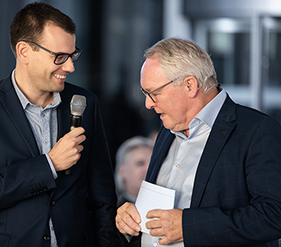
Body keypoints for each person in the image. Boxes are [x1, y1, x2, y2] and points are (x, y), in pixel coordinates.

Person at [0, 2, 121, 247]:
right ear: (24, 52)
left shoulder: (86, 103)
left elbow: (102, 197)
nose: (70, 67)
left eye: (73, 55)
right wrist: (49, 165)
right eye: (59, 57)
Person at [115, 37, 281, 247]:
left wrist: (188, 226)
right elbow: (160, 214)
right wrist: (132, 218)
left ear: (190, 85)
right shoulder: (167, 131)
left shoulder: (257, 130)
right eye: (145, 93)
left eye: (155, 93)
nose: (148, 104)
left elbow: (274, 215)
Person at [114, 136, 154, 207]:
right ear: (123, 171)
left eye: (153, 164)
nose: (148, 169)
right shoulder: (110, 211)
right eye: (140, 163)